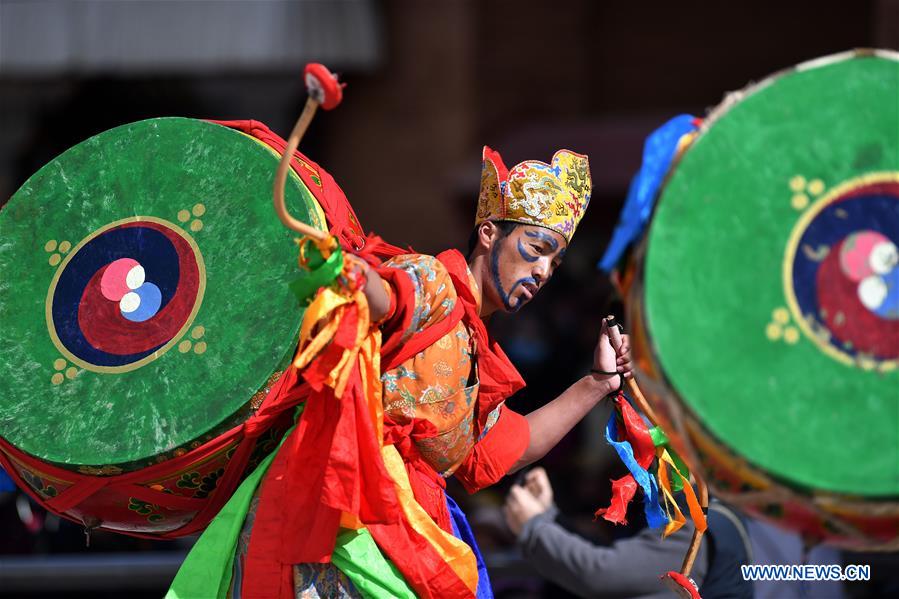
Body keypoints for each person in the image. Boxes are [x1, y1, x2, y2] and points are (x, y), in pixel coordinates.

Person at [168, 146, 634, 598]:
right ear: (489, 233)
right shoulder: (433, 281)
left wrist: (598, 382)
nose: (543, 271)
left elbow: (503, 451)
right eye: (536, 248)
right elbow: (389, 295)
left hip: (406, 529)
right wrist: (352, 274)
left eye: (554, 264)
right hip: (347, 514)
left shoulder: (476, 349)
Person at [504, 467, 754, 598]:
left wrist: (536, 526)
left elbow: (602, 573)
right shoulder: (699, 514)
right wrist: (549, 515)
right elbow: (618, 557)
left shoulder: (694, 528)